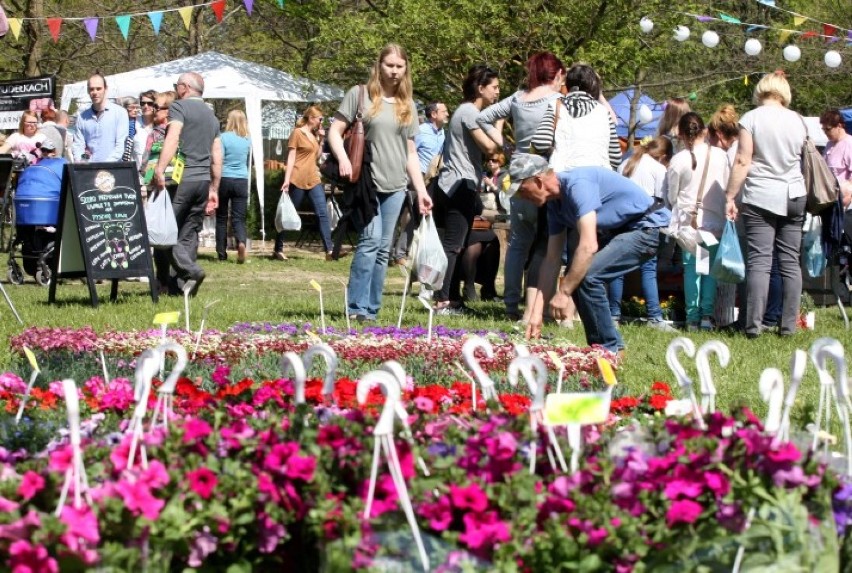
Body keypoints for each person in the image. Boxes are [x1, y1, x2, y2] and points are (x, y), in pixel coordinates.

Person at [507, 154, 670, 354]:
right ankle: (604, 348)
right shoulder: (554, 205)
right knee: (579, 277)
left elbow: (588, 245)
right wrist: (536, 313)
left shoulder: (577, 186)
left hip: (648, 228)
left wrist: (564, 292)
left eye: (522, 191)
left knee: (587, 277)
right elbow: (551, 259)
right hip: (625, 231)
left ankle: (608, 351)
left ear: (539, 181)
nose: (522, 198)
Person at [327, 43, 433, 322]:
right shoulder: (360, 95)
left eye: (400, 66)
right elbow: (335, 132)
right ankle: (355, 307)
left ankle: (372, 310)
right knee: (370, 241)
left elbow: (410, 151)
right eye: (390, 65)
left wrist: (420, 190)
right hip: (366, 183)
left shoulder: (407, 105)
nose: (395, 71)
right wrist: (343, 159)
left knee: (384, 247)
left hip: (396, 185)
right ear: (379, 66)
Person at [477, 51, 563, 322]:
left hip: (517, 177)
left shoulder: (517, 98)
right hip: (544, 178)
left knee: (518, 243)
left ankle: (511, 304)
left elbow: (482, 117)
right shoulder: (557, 101)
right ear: (557, 74)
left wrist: (505, 145)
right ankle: (536, 306)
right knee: (544, 246)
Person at [725, 71, 806, 338]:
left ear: (760, 91)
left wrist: (730, 196)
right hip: (795, 194)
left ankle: (753, 326)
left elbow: (742, 160)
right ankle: (789, 326)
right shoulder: (798, 120)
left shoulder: (751, 118)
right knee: (790, 263)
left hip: (761, 194)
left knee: (760, 262)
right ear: (784, 93)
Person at [432, 65, 501, 315]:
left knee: (459, 244)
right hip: (458, 186)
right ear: (480, 88)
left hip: (461, 185)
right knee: (453, 245)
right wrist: (500, 123)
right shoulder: (469, 112)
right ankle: (443, 302)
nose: (497, 92)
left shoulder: (467, 112)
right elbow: (491, 148)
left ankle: (454, 298)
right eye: (494, 87)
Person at [154, 72, 222, 297]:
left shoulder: (179, 107)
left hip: (182, 180)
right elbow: (217, 152)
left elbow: (173, 137)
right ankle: (183, 287)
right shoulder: (212, 116)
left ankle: (190, 271)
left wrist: (160, 168)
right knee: (190, 233)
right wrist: (214, 187)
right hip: (202, 181)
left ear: (184, 88)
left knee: (165, 231)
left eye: (177, 86)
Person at [667, 112, 729, 331]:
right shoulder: (721, 156)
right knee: (708, 269)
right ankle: (707, 315)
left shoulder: (679, 159)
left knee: (693, 269)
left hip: (689, 223)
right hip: (713, 221)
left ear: (682, 135)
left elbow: (671, 195)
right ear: (704, 130)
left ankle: (693, 317)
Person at [608, 136, 676, 331]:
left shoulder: (626, 163)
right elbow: (662, 200)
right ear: (663, 156)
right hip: (647, 224)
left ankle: (614, 314)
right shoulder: (658, 169)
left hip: (622, 221)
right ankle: (654, 316)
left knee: (617, 270)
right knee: (648, 268)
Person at [273, 106, 336, 262]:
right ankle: (278, 248)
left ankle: (329, 250)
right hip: (297, 178)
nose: (322, 122)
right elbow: (291, 156)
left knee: (322, 213)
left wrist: (321, 141)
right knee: (288, 213)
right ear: (311, 118)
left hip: (313, 178)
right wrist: (287, 180)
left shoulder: (314, 136)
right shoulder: (297, 133)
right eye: (320, 119)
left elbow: (316, 156)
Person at [391, 100, 449, 266]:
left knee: (417, 216)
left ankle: (401, 253)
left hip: (431, 180)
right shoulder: (421, 131)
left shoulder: (443, 134)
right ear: (433, 114)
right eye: (444, 111)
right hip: (414, 178)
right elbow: (407, 153)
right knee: (404, 215)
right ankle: (394, 253)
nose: (447, 114)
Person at [216, 109, 252, 264]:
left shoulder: (222, 137)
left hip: (224, 177)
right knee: (239, 218)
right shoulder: (247, 139)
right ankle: (241, 242)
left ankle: (221, 253)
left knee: (222, 217)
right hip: (241, 180)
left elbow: (219, 158)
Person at [72, 72, 129, 162]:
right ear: (88, 91)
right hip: (89, 169)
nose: (95, 92)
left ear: (105, 89)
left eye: (98, 89)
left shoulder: (120, 113)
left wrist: (104, 166)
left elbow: (120, 146)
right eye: (91, 89)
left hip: (112, 169)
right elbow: (78, 145)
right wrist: (81, 163)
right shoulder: (82, 117)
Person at [821, 108, 852, 210]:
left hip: (846, 204)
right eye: (823, 129)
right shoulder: (829, 144)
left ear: (839, 126)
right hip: (829, 200)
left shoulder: (849, 144)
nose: (825, 132)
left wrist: (849, 197)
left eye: (828, 129)